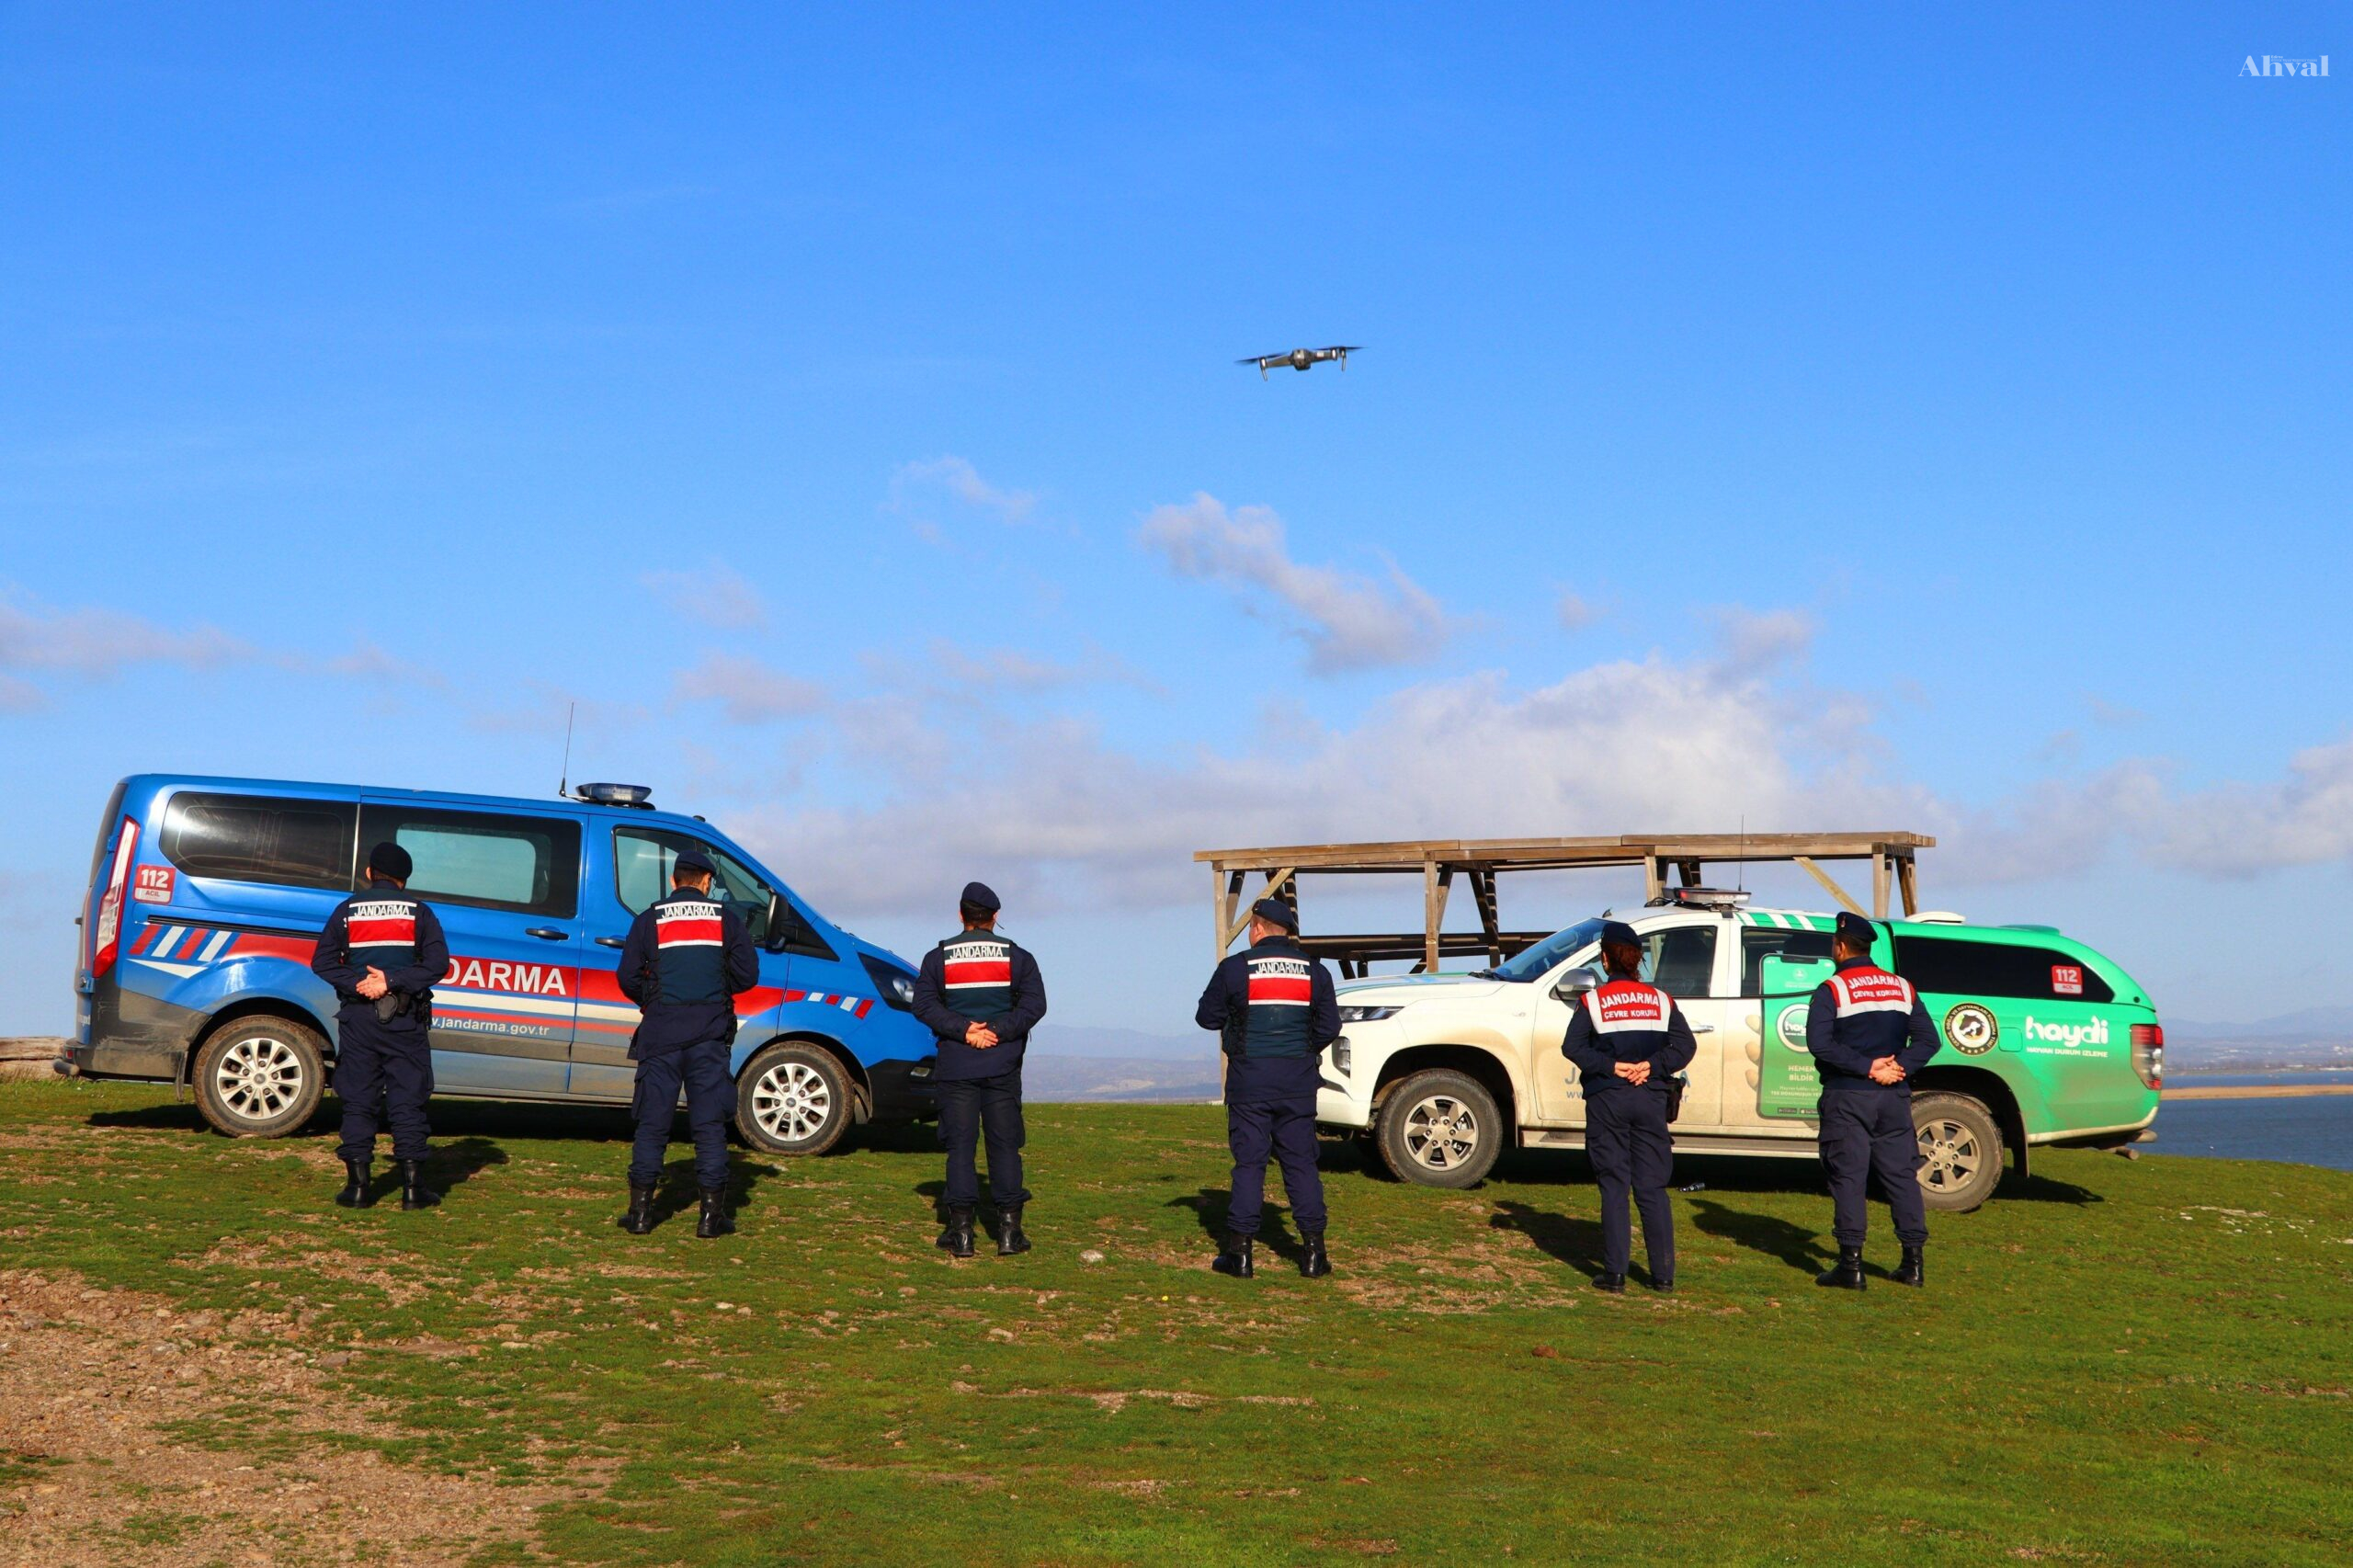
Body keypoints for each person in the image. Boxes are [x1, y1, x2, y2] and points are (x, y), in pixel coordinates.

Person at [615, 846, 758, 1239]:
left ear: (673, 881)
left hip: (660, 1036)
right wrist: (715, 990)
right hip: (709, 1037)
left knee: (652, 1126)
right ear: (707, 882)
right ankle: (711, 1219)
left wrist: (653, 998)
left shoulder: (649, 919)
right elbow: (747, 976)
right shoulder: (726, 920)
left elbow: (627, 976)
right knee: (709, 1127)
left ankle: (640, 1215)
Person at [1194, 897, 1339, 1279]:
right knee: (1301, 1164)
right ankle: (1314, 1255)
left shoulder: (1235, 968)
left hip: (1250, 1084)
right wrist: (1301, 1051)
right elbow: (1329, 1027)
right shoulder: (1315, 971)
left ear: (1257, 928)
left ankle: (1240, 1256)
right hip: (1298, 1085)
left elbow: (1206, 1017)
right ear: (1286, 932)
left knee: (1249, 1165)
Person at [911, 881, 1048, 1258]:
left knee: (960, 1148)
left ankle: (961, 1235)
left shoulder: (938, 958)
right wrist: (997, 1031)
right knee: (1005, 1146)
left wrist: (964, 1031)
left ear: (961, 915)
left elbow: (923, 1005)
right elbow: (1035, 1006)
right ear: (995, 917)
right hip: (1002, 1066)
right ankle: (1009, 1234)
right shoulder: (1018, 957)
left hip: (956, 1066)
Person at [310, 842, 449, 1210]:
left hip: (358, 1019)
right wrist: (392, 981)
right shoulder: (419, 912)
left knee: (359, 1100)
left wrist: (359, 983)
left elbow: (323, 962)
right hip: (404, 1019)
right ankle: (413, 1190)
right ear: (405, 879)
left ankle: (357, 1188)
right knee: (408, 1100)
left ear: (370, 873)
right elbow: (438, 964)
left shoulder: (347, 910)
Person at [1807, 910, 1942, 1290]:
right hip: (1894, 1098)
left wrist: (1867, 1067)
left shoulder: (1833, 989)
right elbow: (1929, 1041)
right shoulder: (1902, 987)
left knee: (1849, 1178)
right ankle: (1913, 1264)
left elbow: (1819, 1044)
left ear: (1840, 947)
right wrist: (1898, 1068)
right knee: (1901, 1178)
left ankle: (1851, 1266)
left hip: (1848, 1096)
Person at [1560, 920, 1696, 1293]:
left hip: (1608, 1099)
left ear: (1606, 959)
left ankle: (1615, 1274)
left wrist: (1611, 1067)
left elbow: (1573, 1047)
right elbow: (1685, 1046)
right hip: (1650, 1098)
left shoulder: (1592, 1001)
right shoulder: (1662, 1000)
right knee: (1652, 1187)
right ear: (1637, 959)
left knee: (1614, 1185)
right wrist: (1652, 1066)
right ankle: (1663, 1277)